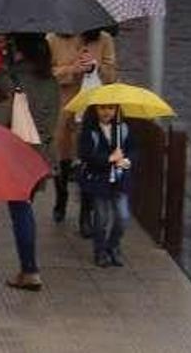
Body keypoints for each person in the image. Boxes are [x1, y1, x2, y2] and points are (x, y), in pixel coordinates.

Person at [0, 33, 59, 292]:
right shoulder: (50, 80)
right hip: (42, 154)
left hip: (16, 154)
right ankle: (28, 268)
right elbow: (51, 120)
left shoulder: (10, 78)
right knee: (25, 208)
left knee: (20, 211)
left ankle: (30, 269)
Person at [48, 29, 118, 234]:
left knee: (88, 159)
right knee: (62, 157)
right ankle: (61, 199)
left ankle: (85, 213)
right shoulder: (53, 39)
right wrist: (73, 69)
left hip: (90, 109)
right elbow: (48, 74)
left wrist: (96, 68)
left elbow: (112, 75)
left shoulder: (104, 39)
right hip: (63, 108)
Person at [78, 105, 137, 268]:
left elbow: (133, 150)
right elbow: (86, 155)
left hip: (120, 180)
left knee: (123, 217)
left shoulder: (123, 129)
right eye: (102, 108)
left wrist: (127, 161)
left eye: (111, 108)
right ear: (95, 110)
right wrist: (109, 158)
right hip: (99, 181)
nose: (107, 112)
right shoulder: (90, 132)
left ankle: (113, 245)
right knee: (101, 218)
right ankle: (100, 251)